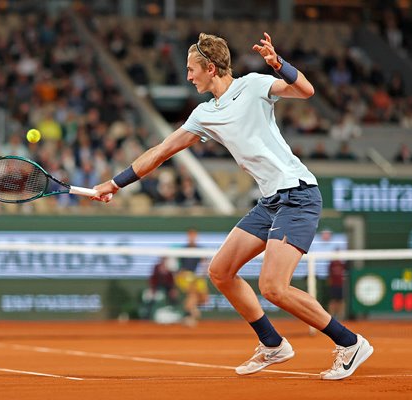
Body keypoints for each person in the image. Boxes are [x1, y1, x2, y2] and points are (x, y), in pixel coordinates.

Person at [92, 32, 373, 380]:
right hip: (270, 201)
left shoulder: (254, 84)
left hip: (298, 194)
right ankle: (272, 344)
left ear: (211, 68)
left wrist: (279, 64)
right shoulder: (203, 114)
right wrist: (113, 183)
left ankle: (350, 343)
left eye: (191, 69)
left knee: (274, 287)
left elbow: (306, 91)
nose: (188, 76)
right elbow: (161, 152)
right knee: (220, 270)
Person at [175, 228, 209, 327]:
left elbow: (205, 264)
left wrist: (202, 275)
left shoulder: (200, 250)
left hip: (196, 276)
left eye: (194, 235)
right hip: (184, 276)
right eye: (190, 235)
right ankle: (189, 316)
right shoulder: (183, 249)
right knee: (193, 293)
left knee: (204, 298)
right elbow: (177, 268)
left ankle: (191, 310)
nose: (192, 238)